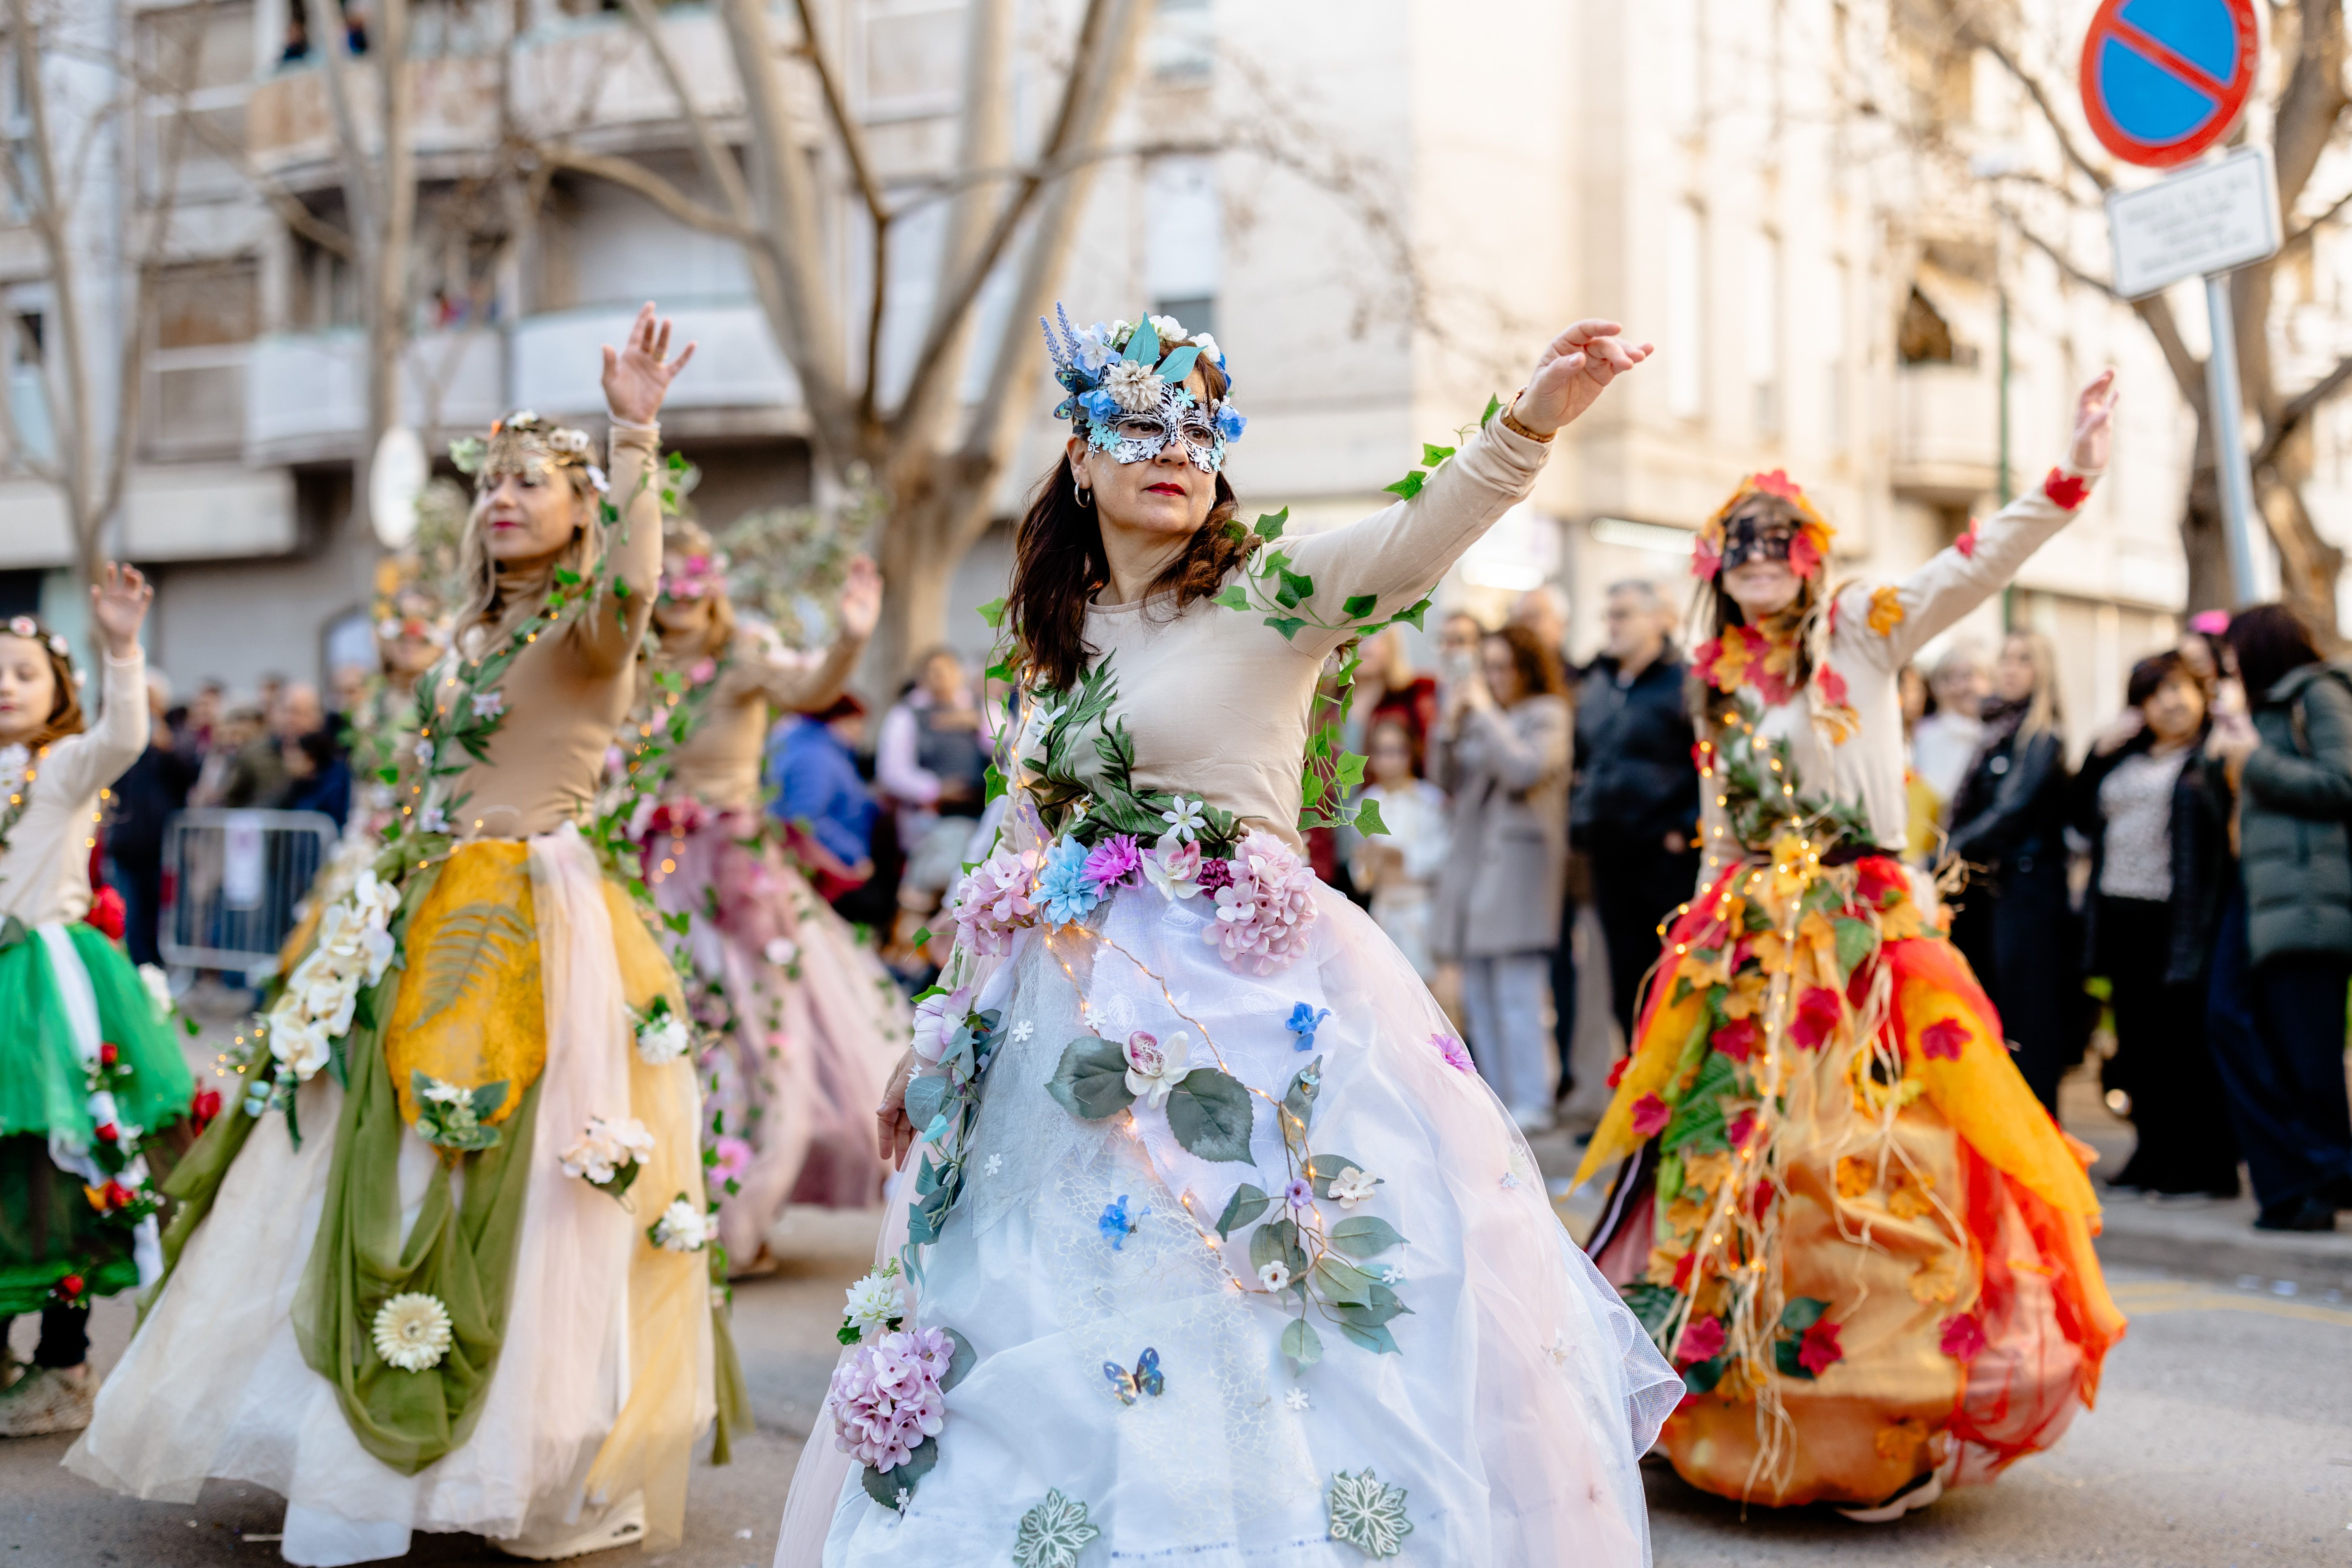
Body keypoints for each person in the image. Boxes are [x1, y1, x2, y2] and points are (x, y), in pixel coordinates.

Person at [775, 310, 1678, 1566]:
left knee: (1238, 1299)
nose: (1176, 447)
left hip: (1240, 1024)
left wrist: (1532, 416)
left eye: (1202, 425)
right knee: (1045, 1308)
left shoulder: (1273, 593)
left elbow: (1419, 537)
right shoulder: (1048, 652)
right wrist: (929, 1045)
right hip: (1053, 1039)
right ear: (1079, 457)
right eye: (1139, 420)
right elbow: (1015, 863)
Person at [69, 305, 744, 1563]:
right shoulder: (473, 633)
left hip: (531, 921)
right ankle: (357, 1448)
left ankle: (477, 1459)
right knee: (349, 1162)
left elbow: (644, 581)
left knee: (485, 1163)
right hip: (418, 899)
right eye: (489, 481)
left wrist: (637, 432)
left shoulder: (592, 634)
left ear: (581, 509)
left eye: (530, 483)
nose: (500, 498)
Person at [1577, 373, 2126, 1517]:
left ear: (1811, 553)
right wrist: (1695, 945)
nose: (1760, 556)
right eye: (1739, 542)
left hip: (1863, 945)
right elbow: (1724, 832)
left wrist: (2070, 472)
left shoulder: (1862, 631)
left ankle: (1879, 1417)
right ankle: (1724, 1420)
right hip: (1744, 953)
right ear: (1714, 564)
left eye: (1779, 537)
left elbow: (1969, 565)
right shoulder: (1717, 685)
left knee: (1866, 1159)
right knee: (1726, 1161)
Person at [638, 519, 904, 1258]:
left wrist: (851, 639)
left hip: (735, 875)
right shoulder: (630, 663)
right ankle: (658, 1195)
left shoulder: (741, 655)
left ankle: (737, 1210)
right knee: (657, 1033)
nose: (680, 590)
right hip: (648, 871)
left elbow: (810, 684)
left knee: (757, 1038)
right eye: (664, 573)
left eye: (693, 572)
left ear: (714, 583)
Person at [0, 574, 196, 1437]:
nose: (5, 685)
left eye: (23, 673)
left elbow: (125, 734)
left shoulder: (66, 765)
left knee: (62, 1174)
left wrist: (123, 649)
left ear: (56, 694)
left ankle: (66, 1361)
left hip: (49, 992)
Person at [2201, 603, 2352, 1233]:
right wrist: (2220, 761)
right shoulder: (2251, 714)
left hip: (2310, 899)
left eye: (2235, 651)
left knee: (2307, 1050)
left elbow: (2342, 782)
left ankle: (2325, 1176)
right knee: (2227, 1020)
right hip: (2257, 893)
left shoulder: (2319, 694)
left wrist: (2251, 760)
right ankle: (2290, 1178)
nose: (2227, 664)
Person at [2072, 651, 2237, 1201]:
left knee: (2183, 1047)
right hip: (2123, 914)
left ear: (2201, 694)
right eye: (2154, 693)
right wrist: (2097, 754)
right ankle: (2151, 1154)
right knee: (2137, 1045)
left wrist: (2226, 742)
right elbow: (2077, 821)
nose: (2169, 703)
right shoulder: (2125, 759)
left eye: (2179, 690)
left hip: (2180, 918)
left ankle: (2200, 1168)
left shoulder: (2211, 757)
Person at [1432, 623, 1572, 1131]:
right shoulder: (1480, 717)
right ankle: (1496, 1096)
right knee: (1479, 995)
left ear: (1526, 668)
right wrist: (1448, 727)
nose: (1493, 677)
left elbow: (1524, 770)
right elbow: (1443, 780)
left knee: (1518, 994)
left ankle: (1533, 1098)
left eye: (1502, 667)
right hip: (1473, 871)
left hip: (1519, 872)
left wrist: (1486, 715)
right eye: (1486, 667)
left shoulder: (1548, 715)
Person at [1944, 630, 2078, 1114]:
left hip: (2030, 889)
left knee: (2030, 1016)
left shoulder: (2042, 738)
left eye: (2023, 659)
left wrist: (1948, 851)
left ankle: (2039, 1127)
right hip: (1997, 889)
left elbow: (2010, 810)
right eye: (2005, 658)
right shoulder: (1997, 731)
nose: (2010, 668)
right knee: (2003, 1009)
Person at [1571, 579, 1699, 1045]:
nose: (1613, 625)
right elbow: (1586, 759)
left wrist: (1686, 829)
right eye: (1609, 615)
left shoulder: (1685, 682)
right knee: (1624, 980)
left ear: (1660, 619)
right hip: (1609, 851)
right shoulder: (1599, 681)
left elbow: (1709, 760)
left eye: (1624, 614)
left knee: (1667, 976)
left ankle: (1674, 1096)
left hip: (1664, 855)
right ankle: (1635, 1092)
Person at [875, 647, 990, 905]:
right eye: (935, 673)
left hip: (981, 815)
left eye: (948, 671)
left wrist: (977, 724)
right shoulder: (906, 716)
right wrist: (936, 789)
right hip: (931, 817)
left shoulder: (980, 709)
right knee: (936, 879)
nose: (942, 679)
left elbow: (1010, 746)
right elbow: (891, 772)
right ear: (922, 678)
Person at [106, 669, 200, 969]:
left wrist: (168, 749)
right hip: (125, 840)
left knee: (158, 912)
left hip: (162, 841)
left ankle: (154, 965)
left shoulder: (175, 736)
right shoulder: (118, 736)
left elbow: (187, 780)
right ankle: (135, 966)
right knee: (129, 911)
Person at [1347, 717, 1448, 980]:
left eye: (1396, 751)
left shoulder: (1429, 800)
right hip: (1383, 911)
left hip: (1421, 911)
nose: (1389, 760)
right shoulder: (1365, 804)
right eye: (1382, 752)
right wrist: (1367, 864)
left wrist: (1403, 857)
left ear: (1410, 752)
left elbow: (1442, 854)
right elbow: (1361, 876)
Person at [771, 695, 880, 900]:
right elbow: (806, 818)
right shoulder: (815, 758)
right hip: (827, 870)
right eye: (858, 723)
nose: (861, 732)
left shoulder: (825, 751)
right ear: (839, 720)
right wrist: (854, 856)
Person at [1908, 643, 1987, 819]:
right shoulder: (1925, 735)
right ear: (1939, 686)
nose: (1971, 686)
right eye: (1958, 678)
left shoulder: (1995, 734)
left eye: (1978, 676)